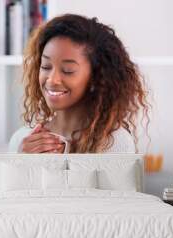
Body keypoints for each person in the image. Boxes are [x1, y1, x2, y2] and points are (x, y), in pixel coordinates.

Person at [9, 14, 150, 153]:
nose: (52, 79)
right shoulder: (22, 140)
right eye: (46, 66)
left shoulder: (113, 142)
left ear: (96, 77)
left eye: (68, 70)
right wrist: (21, 161)